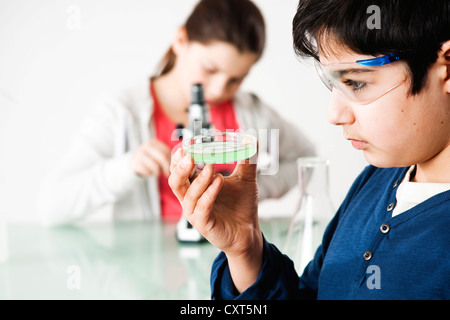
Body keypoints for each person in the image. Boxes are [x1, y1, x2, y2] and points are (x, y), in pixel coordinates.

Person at [168, 0, 450, 299]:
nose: (335, 114)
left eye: (356, 83)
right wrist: (245, 250)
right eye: (334, 84)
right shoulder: (376, 182)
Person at [38, 0, 315, 226]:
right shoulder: (122, 111)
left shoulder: (251, 111)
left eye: (236, 79)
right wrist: (128, 167)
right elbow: (52, 206)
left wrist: (251, 188)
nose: (219, 90)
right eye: (209, 69)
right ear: (180, 40)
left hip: (228, 262)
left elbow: (307, 156)